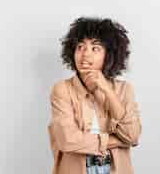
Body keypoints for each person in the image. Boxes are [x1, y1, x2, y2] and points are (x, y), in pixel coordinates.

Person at [47, 17, 142, 174]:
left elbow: (132, 135)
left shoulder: (124, 89)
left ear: (109, 54)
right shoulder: (62, 89)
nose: (85, 55)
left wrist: (107, 90)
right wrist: (116, 141)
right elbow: (67, 140)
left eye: (95, 48)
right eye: (80, 47)